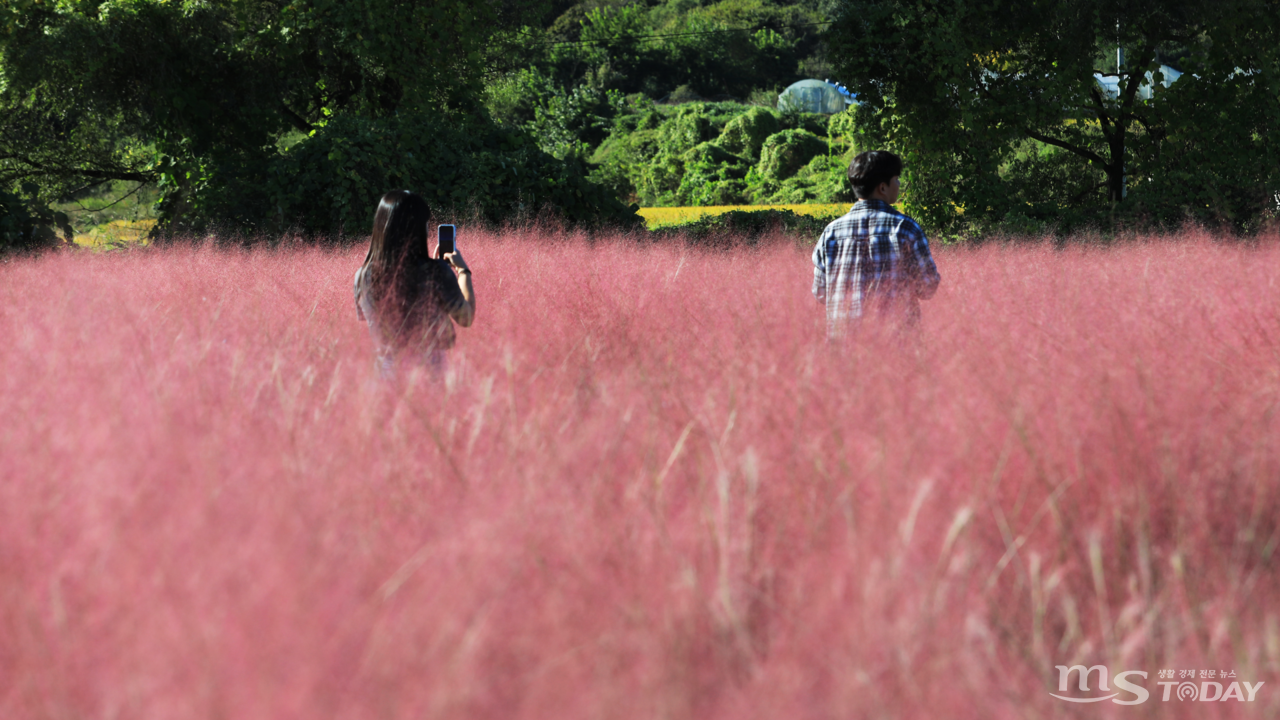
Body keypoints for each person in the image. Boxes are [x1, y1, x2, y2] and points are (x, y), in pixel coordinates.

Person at [812, 150, 940, 338]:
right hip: (897, 343)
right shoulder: (905, 228)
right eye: (896, 179)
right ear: (883, 187)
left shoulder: (831, 232)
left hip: (844, 345)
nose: (899, 184)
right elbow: (928, 287)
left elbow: (820, 292)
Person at [353, 190, 475, 378]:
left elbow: (369, 322)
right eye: (425, 223)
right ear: (416, 228)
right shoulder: (437, 272)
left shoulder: (363, 276)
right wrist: (462, 271)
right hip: (429, 377)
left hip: (384, 378)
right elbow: (465, 318)